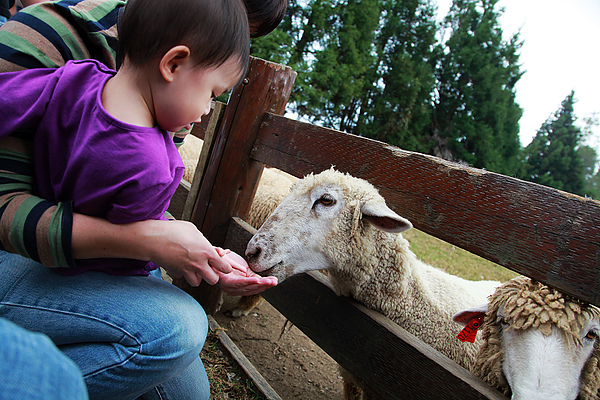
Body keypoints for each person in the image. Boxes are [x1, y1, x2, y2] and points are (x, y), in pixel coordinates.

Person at [0, 0, 285, 398]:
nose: (206, 110)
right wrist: (151, 243)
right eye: (213, 92)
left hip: (72, 248)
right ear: (175, 62)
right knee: (178, 328)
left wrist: (201, 252)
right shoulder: (49, 38)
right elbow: (131, 238)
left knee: (186, 393)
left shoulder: (85, 78)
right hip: (21, 252)